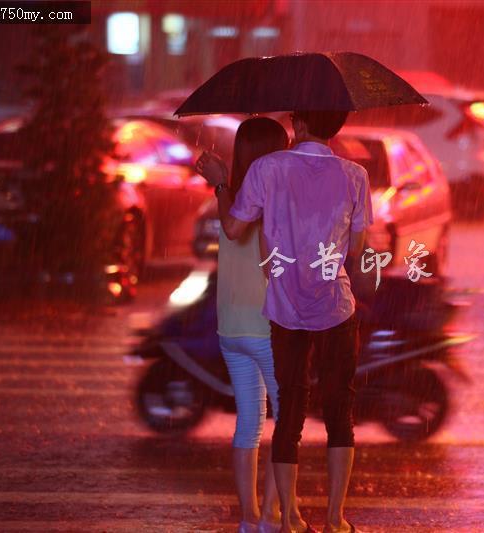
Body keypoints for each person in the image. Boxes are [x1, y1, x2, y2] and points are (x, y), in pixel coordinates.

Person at [198, 110, 371, 533]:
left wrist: (226, 186)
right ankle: (335, 519)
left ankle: (283, 518)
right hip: (334, 307)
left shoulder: (266, 171)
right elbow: (358, 247)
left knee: (283, 416)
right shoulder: (355, 175)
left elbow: (235, 228)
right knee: (339, 412)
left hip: (279, 313)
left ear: (299, 124)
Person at [196, 117, 292, 533]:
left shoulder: (230, 197)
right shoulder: (273, 199)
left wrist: (220, 182)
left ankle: (248, 518)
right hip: (265, 326)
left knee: (249, 420)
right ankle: (271, 516)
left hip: (230, 327)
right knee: (287, 422)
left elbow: (232, 227)